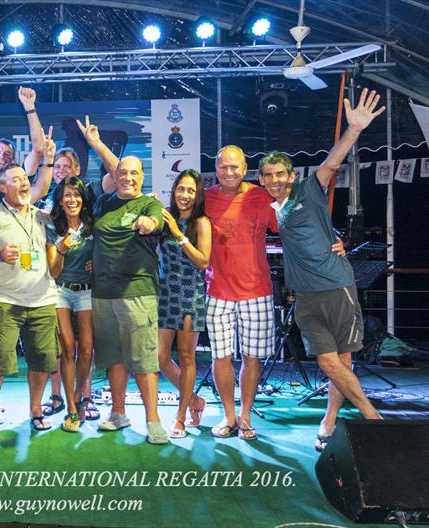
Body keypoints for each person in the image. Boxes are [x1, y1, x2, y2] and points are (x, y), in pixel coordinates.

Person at [258, 88, 385, 452]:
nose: (275, 179)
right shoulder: (274, 209)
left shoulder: (309, 190)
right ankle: (372, 418)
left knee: (340, 362)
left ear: (292, 175)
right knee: (329, 363)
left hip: (337, 286)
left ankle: (329, 420)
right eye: (268, 175)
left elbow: (332, 161)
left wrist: (355, 129)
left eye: (280, 173)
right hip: (305, 297)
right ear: (262, 179)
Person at [0, 158, 58, 442]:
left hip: (43, 300)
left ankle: (36, 411)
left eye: (25, 179)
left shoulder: (41, 216)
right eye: (16, 179)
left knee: (41, 361)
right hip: (6, 301)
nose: (24, 183)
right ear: (1, 187)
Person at [91, 156, 169, 444]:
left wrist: (148, 223)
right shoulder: (104, 203)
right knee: (113, 356)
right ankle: (118, 413)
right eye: (122, 172)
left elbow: (156, 222)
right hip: (102, 293)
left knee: (144, 359)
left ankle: (153, 420)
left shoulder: (150, 204)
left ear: (142, 177)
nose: (127, 177)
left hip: (137, 292)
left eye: (134, 173)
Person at [204, 145, 278, 441]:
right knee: (220, 357)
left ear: (245, 169)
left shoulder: (261, 196)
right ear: (216, 167)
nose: (229, 172)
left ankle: (245, 415)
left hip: (257, 291)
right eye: (224, 166)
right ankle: (228, 415)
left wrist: (331, 241)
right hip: (217, 291)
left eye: (235, 167)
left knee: (251, 357)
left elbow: (293, 226)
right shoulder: (204, 198)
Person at [157, 170, 211, 438]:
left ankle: (179, 418)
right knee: (161, 357)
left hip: (191, 292)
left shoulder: (201, 222)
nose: (185, 195)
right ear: (174, 190)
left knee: (187, 356)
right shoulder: (165, 216)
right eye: (181, 189)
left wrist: (179, 233)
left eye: (191, 190)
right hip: (166, 292)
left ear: (197, 194)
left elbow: (203, 261)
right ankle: (193, 401)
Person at [47, 176, 95, 432]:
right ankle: (72, 409)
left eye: (76, 195)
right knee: (67, 348)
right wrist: (62, 250)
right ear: (60, 200)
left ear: (83, 199)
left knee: (86, 349)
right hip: (60, 292)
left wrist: (96, 264)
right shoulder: (53, 227)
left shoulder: (92, 225)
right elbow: (53, 272)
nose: (72, 199)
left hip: (87, 291)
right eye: (67, 195)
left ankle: (79, 395)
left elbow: (104, 254)